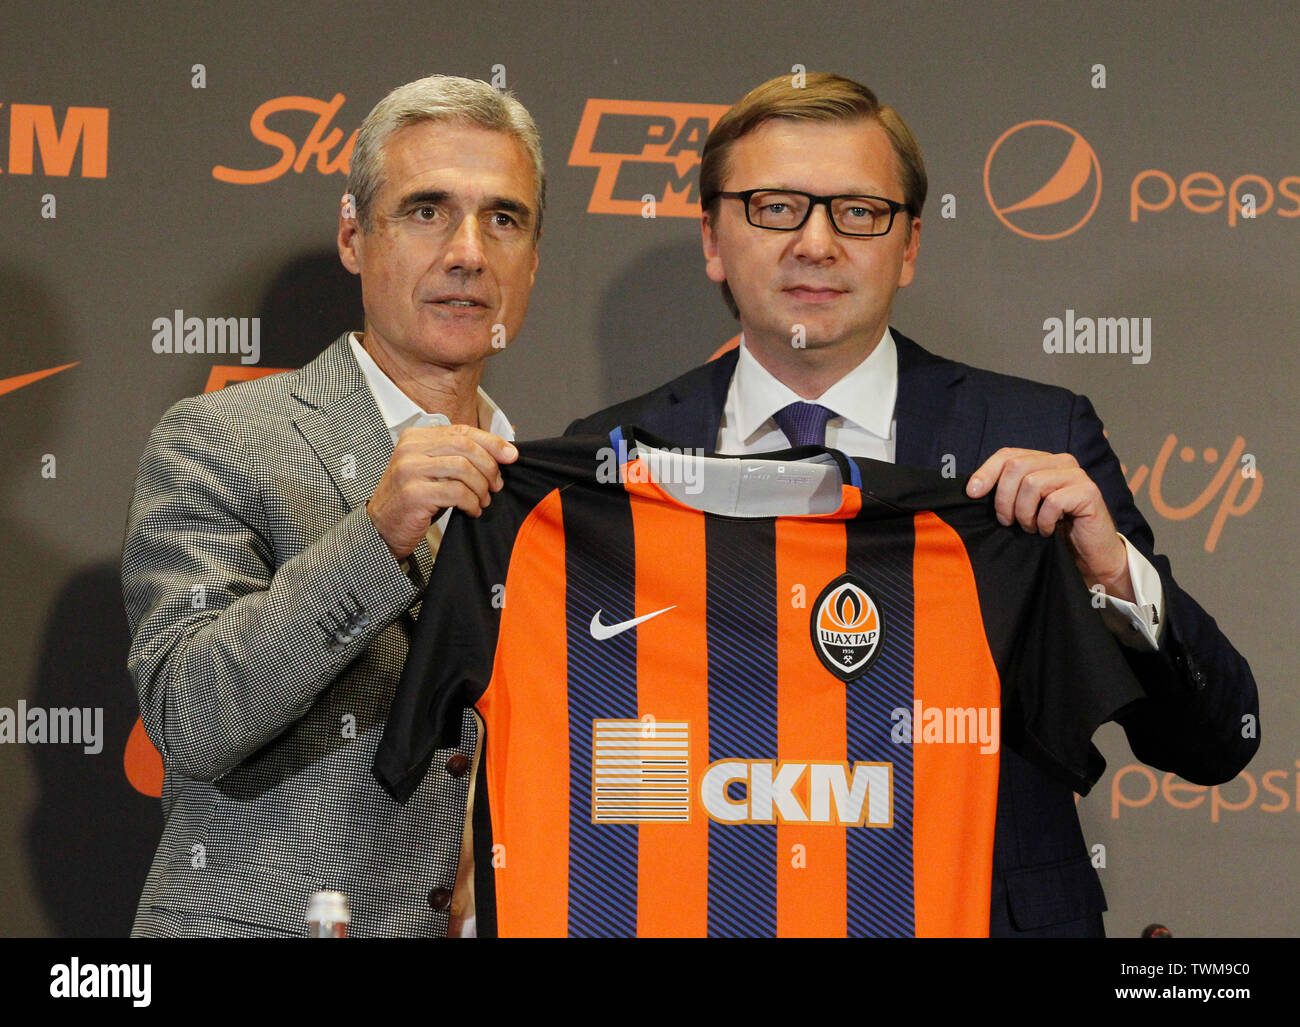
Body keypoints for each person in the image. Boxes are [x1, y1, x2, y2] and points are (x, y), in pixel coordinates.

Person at [565, 72, 1258, 937]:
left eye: (858, 211)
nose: (816, 243)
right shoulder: (612, 455)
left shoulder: (1036, 431)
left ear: (910, 245)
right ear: (712, 236)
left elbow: (1214, 742)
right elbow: (602, 759)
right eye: (775, 207)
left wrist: (1114, 572)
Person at [121, 74, 541, 937]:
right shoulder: (218, 439)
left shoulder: (554, 495)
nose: (469, 251)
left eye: (504, 218)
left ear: (533, 259)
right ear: (354, 235)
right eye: (427, 210)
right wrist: (376, 534)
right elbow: (190, 716)